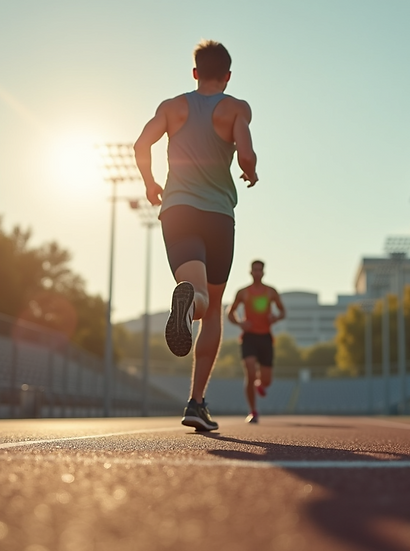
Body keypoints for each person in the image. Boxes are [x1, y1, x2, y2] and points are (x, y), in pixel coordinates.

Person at [134, 40, 258, 432]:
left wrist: (151, 183)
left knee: (194, 289)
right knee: (215, 305)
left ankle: (188, 301)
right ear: (228, 76)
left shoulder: (172, 107)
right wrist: (250, 173)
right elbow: (246, 153)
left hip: (178, 211)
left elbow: (141, 144)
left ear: (194, 73)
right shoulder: (237, 108)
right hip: (218, 215)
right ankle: (196, 401)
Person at [227, 260, 286, 423]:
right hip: (249, 337)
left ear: (263, 272)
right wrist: (240, 323)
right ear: (250, 272)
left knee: (266, 380)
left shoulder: (271, 292)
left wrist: (275, 317)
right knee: (250, 372)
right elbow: (230, 313)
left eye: (260, 270)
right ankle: (253, 411)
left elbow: (283, 311)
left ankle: (261, 384)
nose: (257, 273)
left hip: (265, 337)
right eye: (255, 270)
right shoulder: (243, 292)